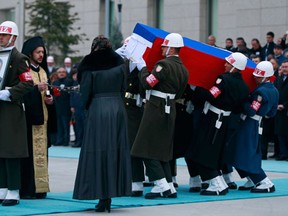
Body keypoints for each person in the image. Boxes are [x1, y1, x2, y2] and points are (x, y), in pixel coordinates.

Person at [73, 35, 131, 212]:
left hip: (98, 108)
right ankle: (110, 195)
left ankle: (100, 195)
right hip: (117, 108)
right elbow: (124, 88)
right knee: (115, 150)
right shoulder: (120, 62)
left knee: (97, 151)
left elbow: (86, 92)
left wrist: (86, 107)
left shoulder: (89, 64)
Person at [131, 33, 189, 199]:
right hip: (170, 108)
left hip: (156, 109)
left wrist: (142, 68)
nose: (162, 49)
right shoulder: (183, 68)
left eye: (164, 46)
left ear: (171, 48)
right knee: (162, 150)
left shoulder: (163, 65)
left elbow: (146, 83)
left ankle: (161, 184)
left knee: (143, 148)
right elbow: (179, 92)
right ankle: (168, 185)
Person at [188, 52, 249, 196]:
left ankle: (217, 184)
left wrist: (195, 89)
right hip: (225, 120)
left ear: (234, 66)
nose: (225, 64)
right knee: (213, 152)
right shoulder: (244, 86)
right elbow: (238, 108)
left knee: (204, 152)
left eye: (228, 63)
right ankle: (219, 182)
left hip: (213, 119)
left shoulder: (223, 79)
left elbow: (211, 95)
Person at [226, 61, 279, 193]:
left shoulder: (260, 92)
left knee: (245, 153)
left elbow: (251, 110)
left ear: (265, 77)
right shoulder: (274, 90)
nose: (255, 77)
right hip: (257, 123)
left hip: (249, 124)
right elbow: (272, 113)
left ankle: (263, 181)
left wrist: (242, 100)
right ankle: (251, 179)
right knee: (242, 151)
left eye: (258, 76)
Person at [0, 21, 34, 206]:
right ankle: (2, 187)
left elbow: (28, 83)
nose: (1, 38)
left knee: (11, 150)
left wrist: (10, 92)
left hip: (11, 109)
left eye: (4, 35)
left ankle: (13, 190)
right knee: (0, 149)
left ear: (13, 37)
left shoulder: (19, 58)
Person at [20, 36, 53, 199]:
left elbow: (48, 92)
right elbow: (21, 94)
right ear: (30, 53)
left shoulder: (43, 71)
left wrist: (50, 99)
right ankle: (27, 189)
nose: (41, 55)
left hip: (43, 120)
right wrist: (35, 89)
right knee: (28, 157)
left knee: (42, 155)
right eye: (38, 52)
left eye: (42, 52)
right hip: (28, 121)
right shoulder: (24, 71)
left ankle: (40, 189)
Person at [116, 36, 147, 196]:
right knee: (120, 145)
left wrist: (143, 68)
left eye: (129, 46)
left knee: (133, 146)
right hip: (120, 106)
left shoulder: (141, 64)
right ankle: (124, 178)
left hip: (135, 108)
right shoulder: (121, 63)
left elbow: (145, 86)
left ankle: (137, 181)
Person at [52, 67, 73, 146]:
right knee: (59, 125)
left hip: (66, 107)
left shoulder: (70, 82)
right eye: (59, 72)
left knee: (65, 125)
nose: (61, 73)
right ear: (57, 74)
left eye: (63, 72)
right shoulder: (55, 83)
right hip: (57, 107)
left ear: (66, 73)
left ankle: (66, 140)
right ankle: (59, 140)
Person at [274, 60, 288, 161]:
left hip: (286, 109)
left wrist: (284, 105)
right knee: (280, 133)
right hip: (278, 110)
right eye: (283, 67)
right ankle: (282, 154)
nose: (284, 69)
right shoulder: (278, 79)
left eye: (286, 67)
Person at [69, 68, 85, 148]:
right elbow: (72, 95)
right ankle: (78, 141)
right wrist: (72, 105)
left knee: (84, 125)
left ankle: (84, 142)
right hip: (76, 108)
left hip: (83, 107)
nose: (75, 76)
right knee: (78, 126)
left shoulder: (84, 82)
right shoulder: (74, 83)